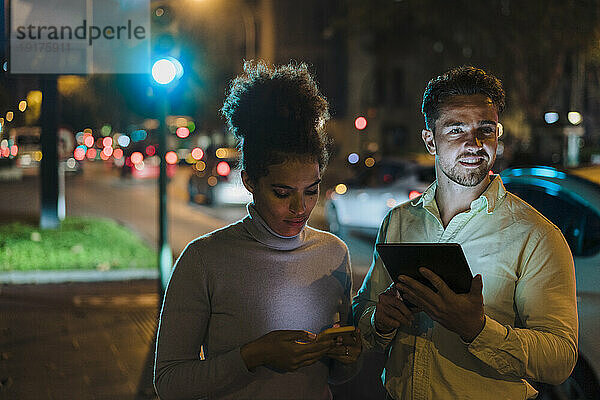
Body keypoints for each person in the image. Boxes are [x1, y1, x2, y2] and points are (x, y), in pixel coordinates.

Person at [353, 66, 578, 399]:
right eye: (456, 129)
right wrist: (380, 321)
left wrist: (478, 330)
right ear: (430, 140)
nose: (474, 143)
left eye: (485, 129)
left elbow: (560, 359)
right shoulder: (399, 222)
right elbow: (363, 314)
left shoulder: (535, 234)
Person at [154, 61, 361, 400]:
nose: (300, 208)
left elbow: (335, 374)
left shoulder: (334, 252)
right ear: (250, 181)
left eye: (311, 190)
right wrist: (253, 355)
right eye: (282, 193)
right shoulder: (204, 259)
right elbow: (170, 382)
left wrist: (348, 357)